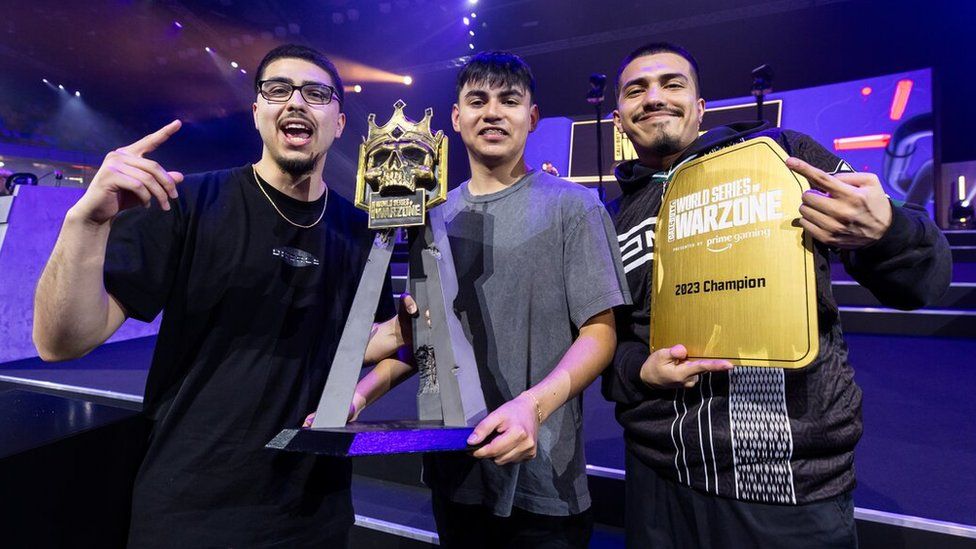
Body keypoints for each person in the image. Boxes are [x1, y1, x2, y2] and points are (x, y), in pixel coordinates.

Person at [32, 44, 407, 548]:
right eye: (278, 89)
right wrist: (86, 222)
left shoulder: (362, 233)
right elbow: (60, 343)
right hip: (190, 509)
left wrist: (363, 388)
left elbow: (375, 344)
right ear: (257, 112)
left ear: (339, 122)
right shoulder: (187, 203)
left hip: (314, 515)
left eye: (316, 94)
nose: (296, 102)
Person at [602, 42, 952, 548]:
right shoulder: (611, 218)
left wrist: (889, 230)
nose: (654, 97)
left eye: (672, 83)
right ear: (620, 119)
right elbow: (607, 339)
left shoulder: (782, 155)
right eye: (638, 90)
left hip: (783, 481)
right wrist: (637, 368)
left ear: (700, 107)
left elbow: (923, 280)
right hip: (657, 476)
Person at [348, 51, 635, 548]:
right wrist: (357, 395)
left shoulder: (575, 207)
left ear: (532, 117)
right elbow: (425, 341)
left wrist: (533, 407)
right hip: (455, 475)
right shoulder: (433, 214)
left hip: (544, 480)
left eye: (509, 101)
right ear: (456, 120)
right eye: (477, 101)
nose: (493, 112)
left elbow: (600, 334)